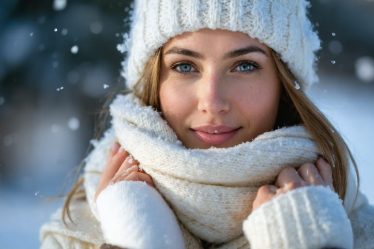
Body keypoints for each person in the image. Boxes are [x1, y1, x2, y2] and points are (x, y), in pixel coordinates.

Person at [39, 0, 374, 248]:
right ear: (154, 80)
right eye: (185, 66)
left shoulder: (347, 222)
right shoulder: (81, 230)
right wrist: (135, 236)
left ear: (283, 84)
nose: (212, 102)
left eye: (244, 66)